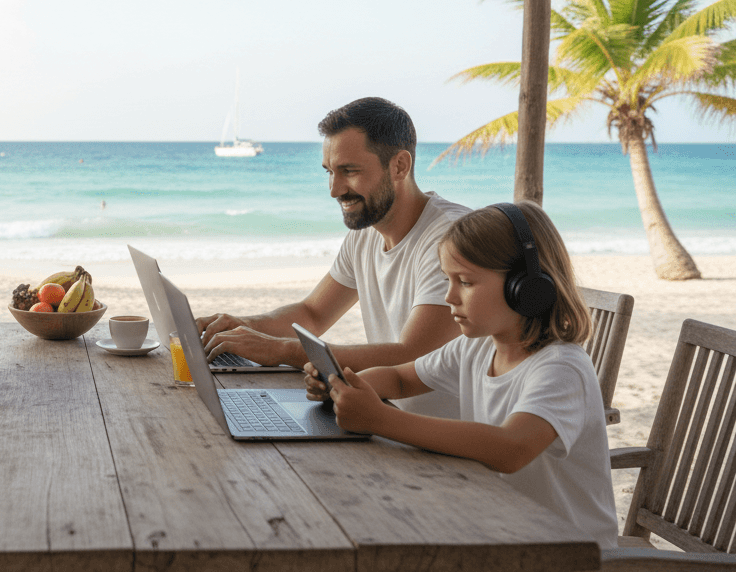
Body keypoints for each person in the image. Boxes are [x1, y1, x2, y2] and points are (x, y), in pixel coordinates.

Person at [309, 202, 617, 548]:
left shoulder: (561, 367)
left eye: (466, 282)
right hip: (500, 531)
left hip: (566, 552)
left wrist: (379, 419)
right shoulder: (477, 348)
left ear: (526, 287)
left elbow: (510, 448)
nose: (449, 296)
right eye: (448, 280)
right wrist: (346, 385)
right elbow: (399, 378)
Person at [197, 97, 467, 417]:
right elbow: (312, 313)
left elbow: (413, 354)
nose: (335, 190)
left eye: (349, 171)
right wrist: (241, 326)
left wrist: (279, 350)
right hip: (387, 420)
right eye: (329, 172)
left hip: (448, 443)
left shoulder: (451, 237)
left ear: (400, 165)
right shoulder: (365, 233)